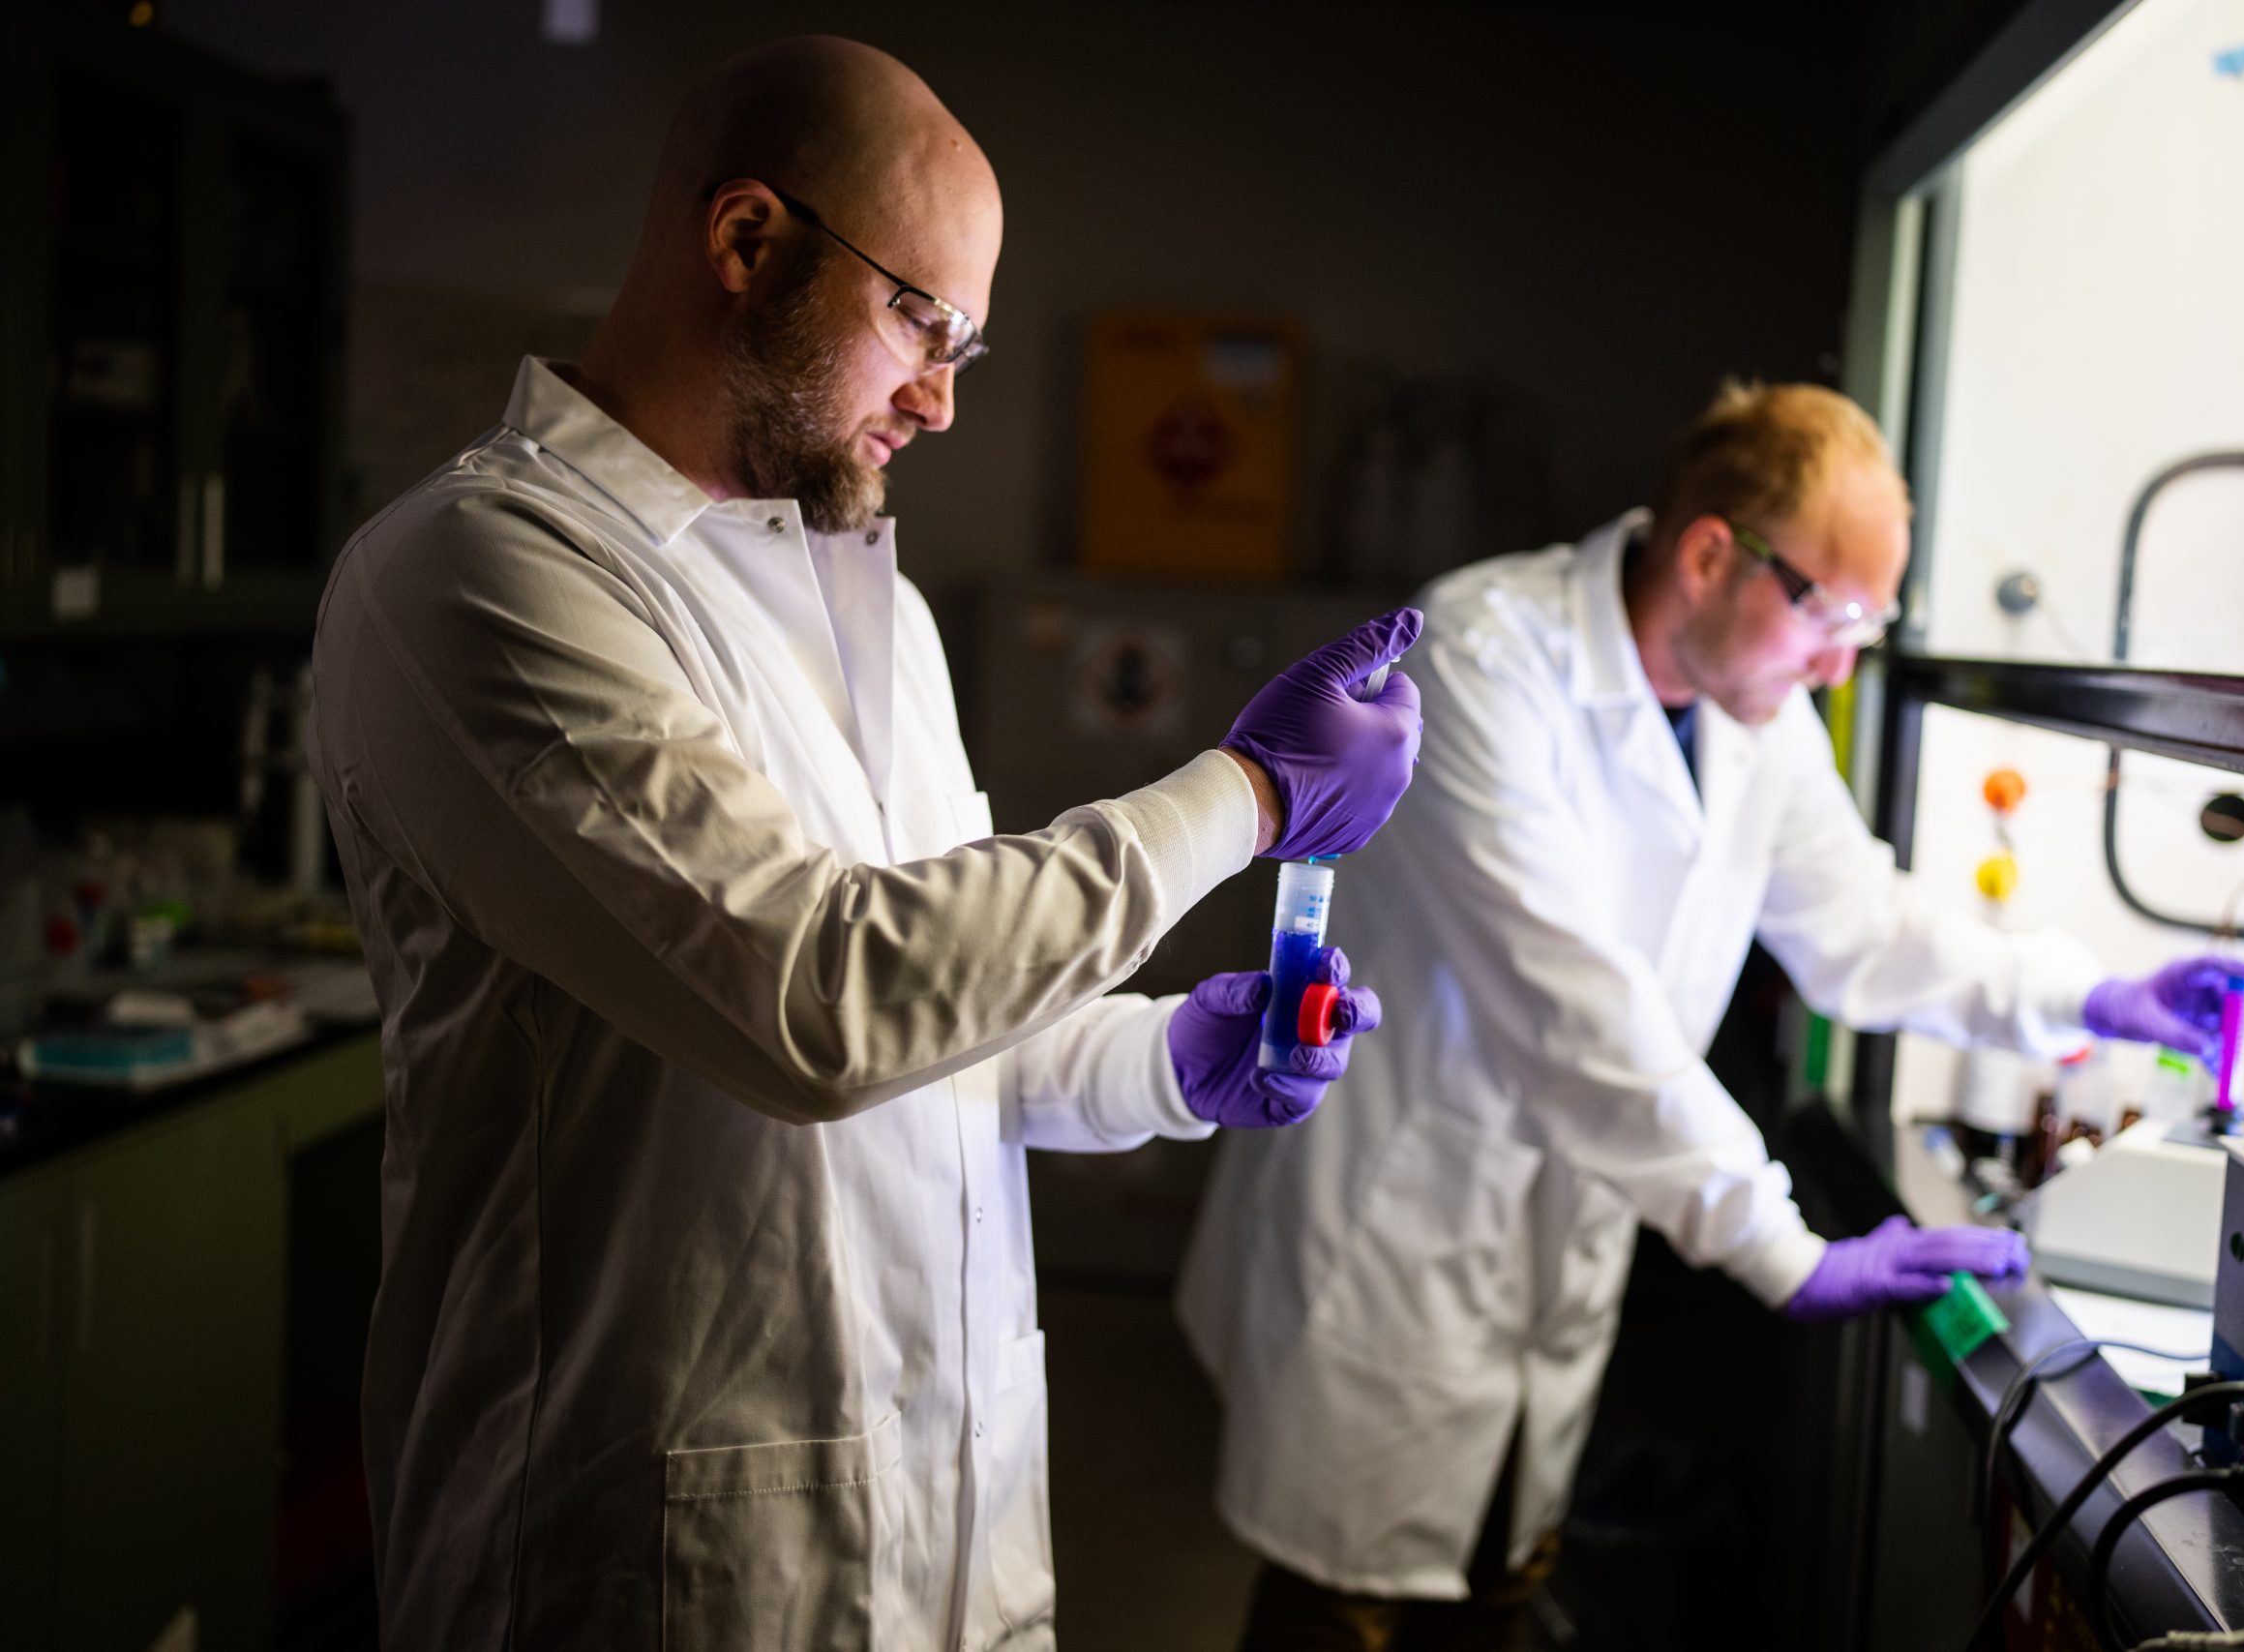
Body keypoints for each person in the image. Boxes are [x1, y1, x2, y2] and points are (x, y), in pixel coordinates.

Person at [308, 37, 1422, 1652]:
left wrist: (1162, 1061)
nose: (942, 399)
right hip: (650, 1563)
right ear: (746, 239)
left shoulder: (869, 608)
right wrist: (1245, 796)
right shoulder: (480, 572)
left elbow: (944, 1025)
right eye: (920, 322)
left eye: (965, 344)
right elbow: (820, 1000)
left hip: (950, 1537)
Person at [1176, 380, 2244, 1647]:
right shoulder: (1480, 659)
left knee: (1498, 1581)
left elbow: (1859, 920)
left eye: (1870, 625)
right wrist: (1781, 1249)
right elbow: (1579, 1008)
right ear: (1707, 557)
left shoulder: (1755, 719)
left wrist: (2090, 996)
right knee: (1337, 1605)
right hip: (1399, 1219)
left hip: (1554, 1238)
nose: (1841, 665)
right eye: (1832, 616)